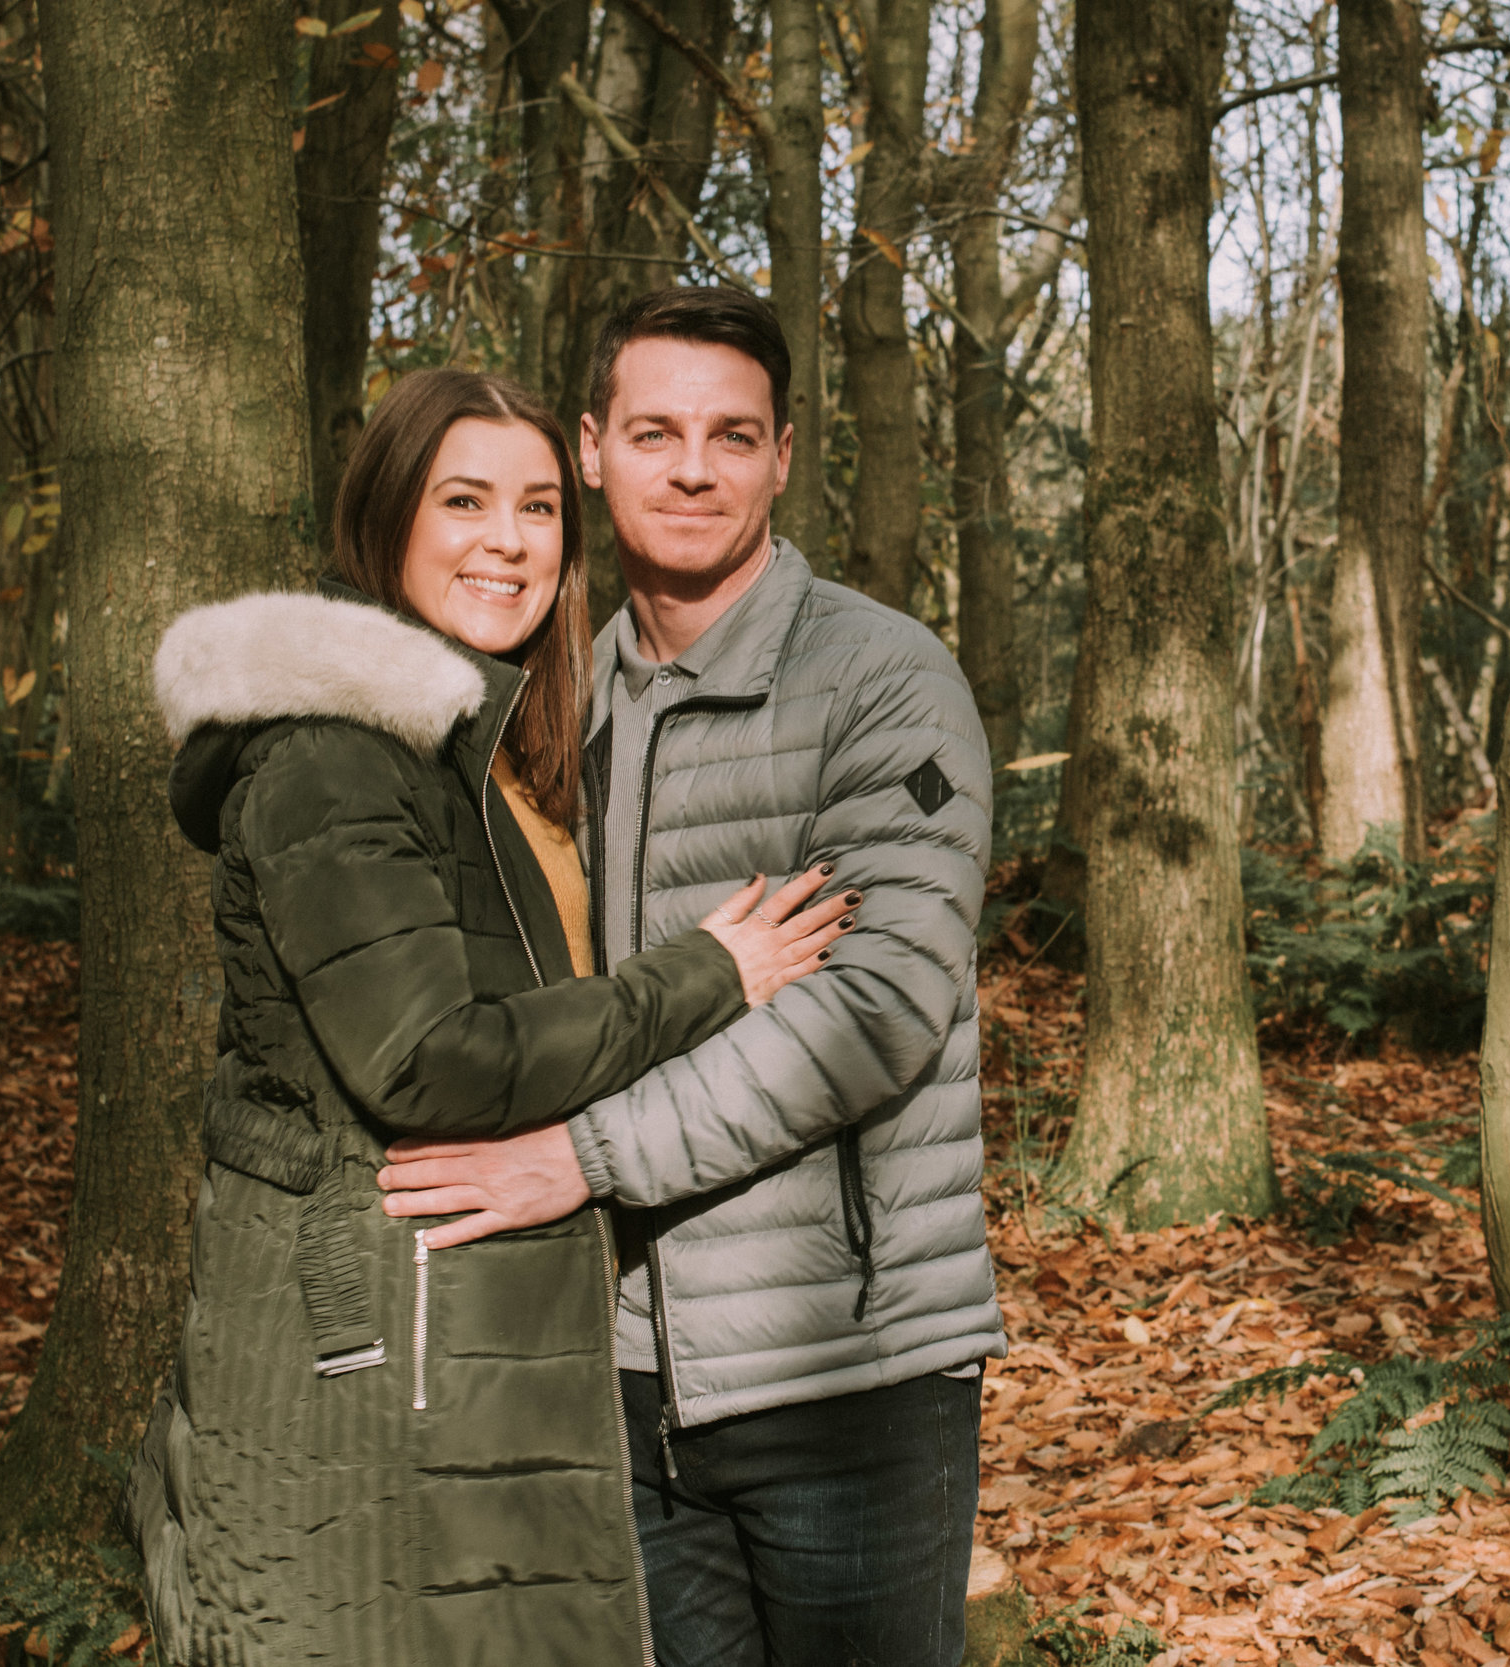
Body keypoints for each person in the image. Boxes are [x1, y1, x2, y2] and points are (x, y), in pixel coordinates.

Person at [126, 367, 858, 1666]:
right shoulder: (334, 748)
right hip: (387, 1348)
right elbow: (428, 1060)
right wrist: (709, 975)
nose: (509, 540)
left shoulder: (486, 747)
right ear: (386, 518)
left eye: (536, 507)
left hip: (485, 1324)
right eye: (465, 501)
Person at [376, 289, 1004, 1667]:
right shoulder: (554, 696)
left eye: (735, 435)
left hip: (845, 1368)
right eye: (654, 431)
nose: (694, 468)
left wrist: (579, 1157)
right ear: (591, 451)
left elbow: (878, 1013)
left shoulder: (881, 680)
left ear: (783, 457)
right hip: (615, 1370)